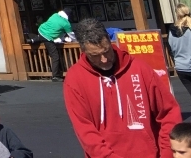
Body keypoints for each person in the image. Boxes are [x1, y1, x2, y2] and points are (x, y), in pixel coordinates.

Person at [63, 17, 181, 158]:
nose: (104, 59)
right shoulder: (75, 79)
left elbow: (168, 114)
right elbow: (85, 130)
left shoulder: (139, 68)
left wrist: (167, 153)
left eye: (106, 51)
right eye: (95, 55)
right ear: (83, 50)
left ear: (109, 39)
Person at [36, 9, 73, 81]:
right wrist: (75, 40)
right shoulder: (66, 23)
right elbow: (71, 35)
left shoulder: (55, 15)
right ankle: (55, 76)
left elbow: (54, 27)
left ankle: (34, 39)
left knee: (52, 52)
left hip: (41, 30)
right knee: (55, 56)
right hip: (47, 36)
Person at [167, 4, 191, 98]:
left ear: (177, 14)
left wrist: (176, 63)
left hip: (181, 67)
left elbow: (170, 50)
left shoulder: (171, 30)